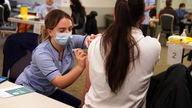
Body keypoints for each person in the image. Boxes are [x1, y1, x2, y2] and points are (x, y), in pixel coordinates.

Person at [82, 0, 161, 107]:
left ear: (115, 15)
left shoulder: (95, 43)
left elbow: (87, 87)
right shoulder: (153, 46)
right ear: (142, 18)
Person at [15, 9, 95, 108]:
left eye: (70, 29)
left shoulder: (69, 41)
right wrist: (80, 66)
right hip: (28, 90)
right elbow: (60, 82)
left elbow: (88, 40)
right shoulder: (42, 53)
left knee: (79, 105)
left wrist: (96, 39)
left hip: (48, 91)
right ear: (50, 32)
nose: (67, 34)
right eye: (62, 30)